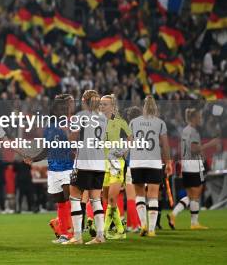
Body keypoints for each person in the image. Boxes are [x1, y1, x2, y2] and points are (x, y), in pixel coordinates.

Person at [26, 94, 75, 243]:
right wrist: (33, 159)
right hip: (53, 168)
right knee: (60, 201)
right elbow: (47, 149)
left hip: (68, 167)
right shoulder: (50, 127)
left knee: (70, 200)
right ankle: (63, 232)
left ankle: (72, 233)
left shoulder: (73, 123)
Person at [63, 90, 108, 245]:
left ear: (84, 100)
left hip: (84, 162)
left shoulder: (80, 116)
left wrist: (66, 135)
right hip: (100, 164)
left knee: (74, 197)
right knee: (96, 200)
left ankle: (77, 236)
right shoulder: (103, 118)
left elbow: (74, 137)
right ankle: (100, 236)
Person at [129, 96, 172, 237]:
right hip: (154, 163)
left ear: (143, 107)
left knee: (140, 194)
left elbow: (130, 143)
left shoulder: (134, 122)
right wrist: (169, 162)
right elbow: (165, 145)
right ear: (156, 108)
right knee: (153, 195)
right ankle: (152, 230)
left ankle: (143, 225)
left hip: (137, 162)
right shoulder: (160, 123)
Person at [168, 108, 218, 230]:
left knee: (191, 195)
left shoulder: (185, 131)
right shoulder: (193, 132)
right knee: (196, 194)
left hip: (186, 164)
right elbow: (194, 149)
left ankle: (175, 215)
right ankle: (193, 222)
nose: (200, 119)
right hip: (194, 165)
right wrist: (211, 144)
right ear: (194, 118)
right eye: (199, 117)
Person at [100, 94, 132, 240]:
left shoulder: (120, 122)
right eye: (100, 104)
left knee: (112, 198)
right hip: (102, 163)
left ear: (112, 106)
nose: (101, 106)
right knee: (106, 198)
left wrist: (123, 151)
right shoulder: (97, 122)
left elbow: (131, 139)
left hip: (116, 162)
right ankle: (120, 230)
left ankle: (105, 231)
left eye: (104, 104)